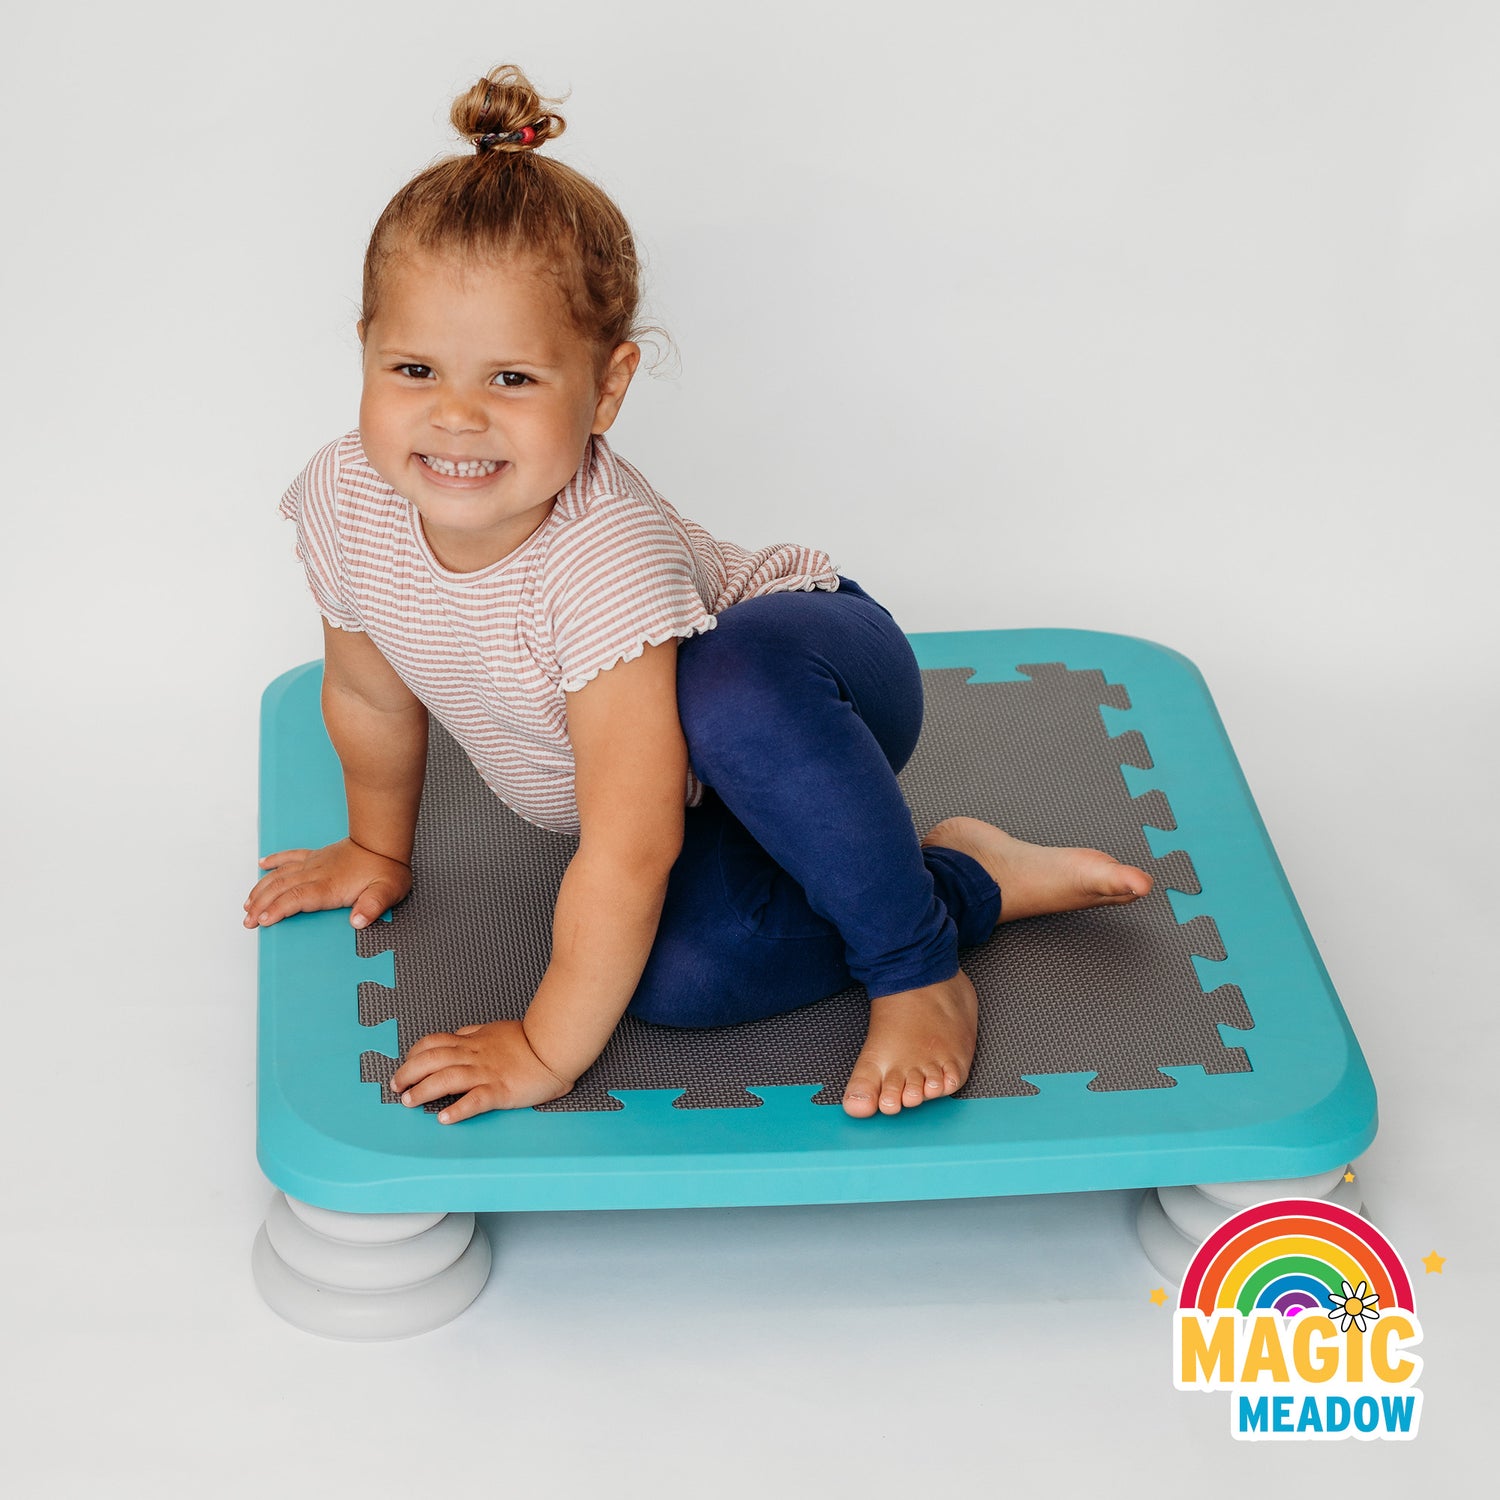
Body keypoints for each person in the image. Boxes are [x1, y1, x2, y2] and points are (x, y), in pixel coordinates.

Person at [243, 65, 1152, 1124]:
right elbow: (367, 695)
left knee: (727, 686)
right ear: (364, 351)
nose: (456, 417)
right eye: (414, 371)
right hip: (695, 793)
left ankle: (917, 965)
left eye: (512, 379)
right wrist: (377, 850)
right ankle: (965, 874)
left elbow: (628, 847)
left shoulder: (602, 560)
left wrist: (543, 1047)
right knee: (684, 978)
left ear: (607, 389)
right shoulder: (344, 499)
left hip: (808, 685)